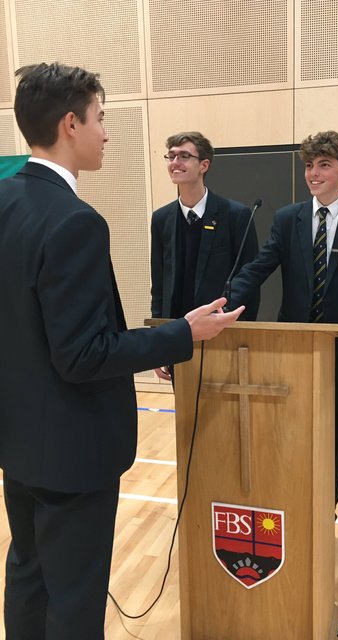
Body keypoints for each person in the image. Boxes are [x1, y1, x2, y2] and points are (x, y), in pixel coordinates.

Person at [0, 62, 244, 640]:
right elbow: (83, 354)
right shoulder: (74, 222)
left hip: (19, 440)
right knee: (74, 599)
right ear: (70, 124)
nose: (107, 133)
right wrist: (183, 333)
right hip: (73, 448)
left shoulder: (6, 201)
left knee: (28, 576)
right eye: (100, 118)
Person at [230, 130, 338, 505]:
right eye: (309, 165)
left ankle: (326, 511)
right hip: (292, 350)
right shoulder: (287, 219)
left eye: (324, 165)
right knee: (289, 432)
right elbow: (259, 267)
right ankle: (293, 506)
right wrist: (224, 300)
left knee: (333, 437)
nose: (314, 174)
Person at [150, 131, 260, 380]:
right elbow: (159, 284)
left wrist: (240, 332)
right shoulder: (161, 219)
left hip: (223, 335)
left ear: (204, 165)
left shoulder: (236, 215)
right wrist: (158, 341)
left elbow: (250, 281)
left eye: (184, 156)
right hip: (178, 335)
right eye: (171, 156)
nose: (175, 162)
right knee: (185, 405)